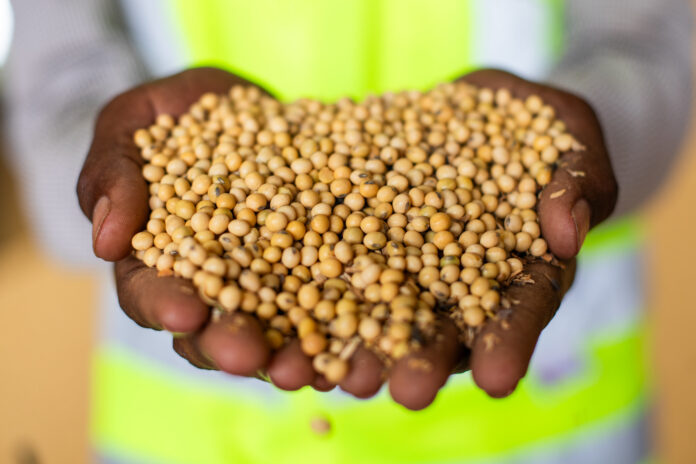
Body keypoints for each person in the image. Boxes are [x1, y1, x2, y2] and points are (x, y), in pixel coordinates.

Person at [3, 0, 692, 462]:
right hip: (192, 433)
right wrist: (112, 181)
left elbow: (655, 44)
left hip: (548, 427)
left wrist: (588, 135)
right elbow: (57, 99)